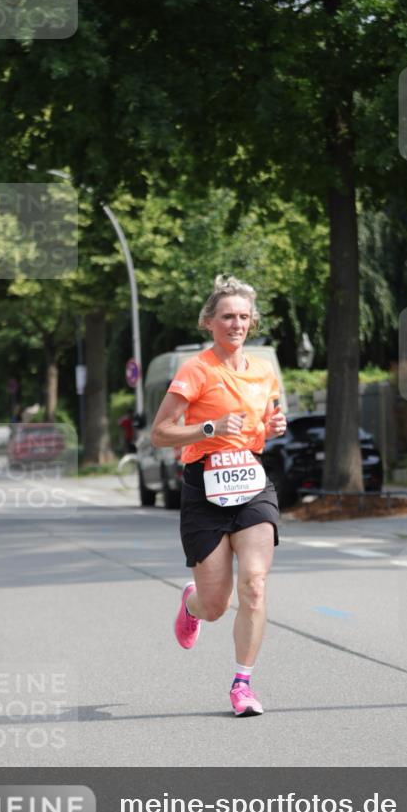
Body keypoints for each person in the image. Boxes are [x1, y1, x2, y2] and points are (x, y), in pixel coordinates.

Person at [150, 275, 287, 717]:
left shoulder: (265, 372)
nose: (237, 324)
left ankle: (242, 684)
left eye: (244, 317)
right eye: (227, 316)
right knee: (214, 606)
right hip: (204, 487)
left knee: (255, 584)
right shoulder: (196, 370)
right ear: (209, 322)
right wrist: (208, 427)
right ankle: (191, 602)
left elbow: (263, 426)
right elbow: (160, 433)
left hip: (251, 484)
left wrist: (273, 429)